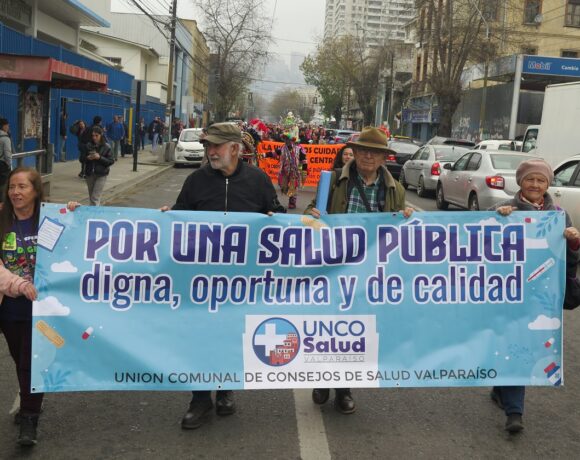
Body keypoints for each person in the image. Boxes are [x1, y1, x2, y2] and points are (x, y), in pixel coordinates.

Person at [161, 122, 281, 430]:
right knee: (201, 336)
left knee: (232, 335)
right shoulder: (196, 181)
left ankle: (225, 390)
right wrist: (166, 218)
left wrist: (275, 218)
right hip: (202, 281)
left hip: (243, 282)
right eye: (208, 146)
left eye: (216, 146)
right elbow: (180, 217)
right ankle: (200, 399)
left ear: (235, 149)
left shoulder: (258, 181)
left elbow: (278, 217)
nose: (210, 152)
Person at [304, 126, 413, 414]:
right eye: (363, 150)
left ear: (384, 158)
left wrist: (407, 219)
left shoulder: (395, 189)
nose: (367, 156)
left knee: (354, 331)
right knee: (328, 327)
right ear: (353, 152)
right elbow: (309, 215)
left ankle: (344, 389)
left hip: (368, 274)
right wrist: (311, 216)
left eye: (374, 152)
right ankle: (321, 379)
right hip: (332, 269)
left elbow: (400, 233)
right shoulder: (333, 181)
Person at [491, 158, 580, 433]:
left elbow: (569, 264)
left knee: (521, 343)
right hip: (505, 292)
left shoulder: (559, 216)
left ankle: (506, 397)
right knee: (511, 342)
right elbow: (476, 243)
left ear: (548, 185)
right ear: (520, 182)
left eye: (541, 180)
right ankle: (512, 408)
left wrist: (573, 242)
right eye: (530, 179)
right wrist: (497, 219)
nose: (535, 184)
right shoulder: (503, 210)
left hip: (538, 295)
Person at [0, 168, 43, 446]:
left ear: (36, 191)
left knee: (32, 363)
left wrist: (74, 213)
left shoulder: (51, 218)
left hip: (43, 308)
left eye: (22, 187)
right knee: (21, 361)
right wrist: (18, 284)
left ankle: (29, 418)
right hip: (10, 307)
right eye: (12, 187)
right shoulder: (1, 219)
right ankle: (30, 399)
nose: (15, 192)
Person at [82, 126, 114, 206]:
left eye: (96, 135)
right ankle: (93, 211)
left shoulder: (107, 146)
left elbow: (111, 161)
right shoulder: (88, 145)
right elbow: (81, 158)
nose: (94, 138)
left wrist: (99, 157)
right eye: (93, 135)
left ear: (101, 135)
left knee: (95, 198)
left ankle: (94, 212)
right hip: (90, 174)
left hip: (101, 174)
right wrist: (87, 158)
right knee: (91, 197)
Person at [275, 135, 307, 209]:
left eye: (288, 139)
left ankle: (292, 201)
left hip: (295, 171)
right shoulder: (283, 148)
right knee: (282, 185)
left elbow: (304, 161)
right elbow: (275, 153)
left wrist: (304, 171)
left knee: (293, 186)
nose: (287, 141)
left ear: (293, 140)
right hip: (285, 170)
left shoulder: (299, 148)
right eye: (285, 139)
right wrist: (264, 155)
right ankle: (289, 193)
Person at [0, 117, 13, 201]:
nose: (8, 127)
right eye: (7, 125)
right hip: (2, 166)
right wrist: (9, 165)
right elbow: (8, 155)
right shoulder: (5, 138)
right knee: (3, 187)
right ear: (3, 126)